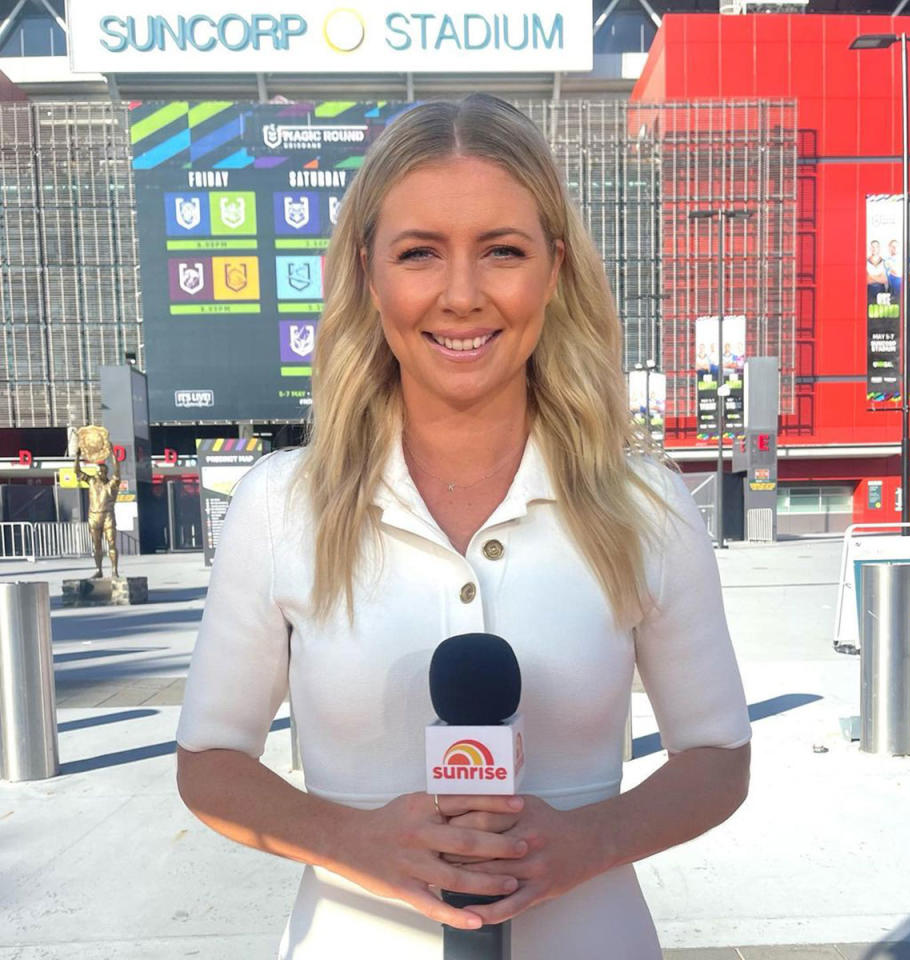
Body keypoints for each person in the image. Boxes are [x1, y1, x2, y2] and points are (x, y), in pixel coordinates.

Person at [175, 95, 751, 960]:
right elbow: (210, 761)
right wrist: (353, 841)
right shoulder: (279, 504)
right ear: (368, 276)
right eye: (419, 254)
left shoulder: (647, 507)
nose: (461, 295)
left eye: (502, 251)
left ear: (553, 270)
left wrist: (586, 844)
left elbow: (717, 757)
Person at [73, 447, 121, 579]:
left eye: (102, 472)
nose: (99, 474)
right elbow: (77, 472)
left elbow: (117, 471)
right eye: (98, 471)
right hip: (94, 516)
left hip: (107, 516)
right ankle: (98, 569)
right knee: (96, 545)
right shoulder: (92, 481)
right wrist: (77, 457)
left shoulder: (112, 484)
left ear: (106, 473)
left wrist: (112, 454)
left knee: (111, 543)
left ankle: (114, 570)